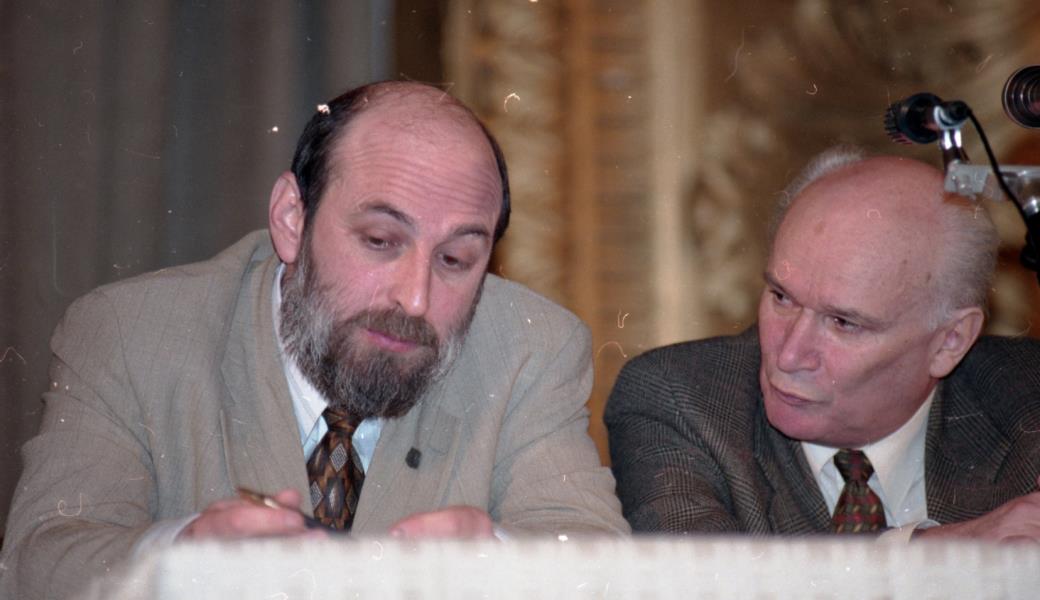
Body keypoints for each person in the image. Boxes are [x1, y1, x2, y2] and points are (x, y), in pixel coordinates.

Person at [1, 81, 627, 599]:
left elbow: (603, 563)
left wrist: (500, 560)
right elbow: (37, 563)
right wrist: (181, 559)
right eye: (380, 241)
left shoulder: (530, 349)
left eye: (456, 259)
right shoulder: (131, 332)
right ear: (291, 220)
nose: (415, 298)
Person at [606, 146, 1040, 541]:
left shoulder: (1028, 402)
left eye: (843, 323)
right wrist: (939, 554)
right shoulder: (682, 401)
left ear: (949, 341)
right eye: (782, 297)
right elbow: (707, 582)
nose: (789, 355)